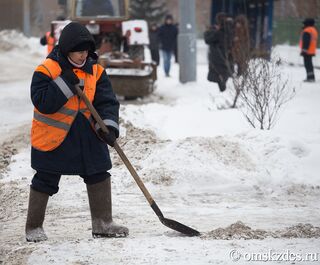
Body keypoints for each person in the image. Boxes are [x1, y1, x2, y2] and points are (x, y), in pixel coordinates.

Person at [25, 22, 128, 242]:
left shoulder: (96, 71)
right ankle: (33, 227)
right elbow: (43, 102)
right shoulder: (47, 70)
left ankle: (103, 223)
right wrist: (64, 83)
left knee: (99, 173)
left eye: (86, 52)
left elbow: (107, 102)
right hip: (55, 138)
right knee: (45, 179)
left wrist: (108, 127)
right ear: (66, 49)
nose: (83, 56)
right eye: (78, 52)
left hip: (88, 136)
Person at [204, 12, 234, 92]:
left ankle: (222, 87)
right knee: (224, 71)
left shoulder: (219, 32)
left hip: (218, 54)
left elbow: (208, 40)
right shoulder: (230, 29)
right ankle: (222, 87)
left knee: (215, 73)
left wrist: (208, 32)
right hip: (227, 54)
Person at [300, 18, 318, 82]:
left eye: (304, 23)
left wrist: (304, 50)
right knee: (310, 64)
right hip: (311, 50)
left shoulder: (307, 30)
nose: (303, 24)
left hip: (307, 50)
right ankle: (311, 77)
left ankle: (310, 78)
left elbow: (306, 41)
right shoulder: (314, 30)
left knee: (307, 64)